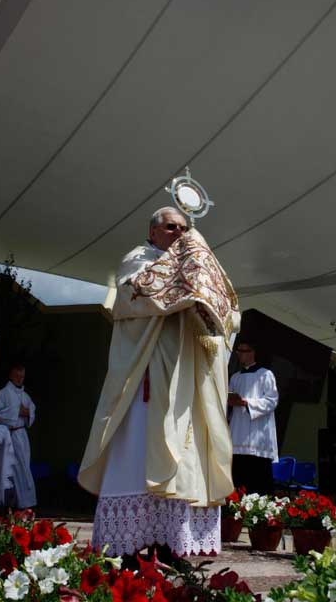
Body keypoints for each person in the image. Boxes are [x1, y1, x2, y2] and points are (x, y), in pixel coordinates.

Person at [79, 206, 240, 561]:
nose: (179, 234)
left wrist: (204, 292)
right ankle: (127, 548)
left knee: (185, 456)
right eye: (171, 227)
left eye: (184, 228)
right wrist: (187, 273)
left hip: (186, 382)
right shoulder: (137, 260)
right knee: (137, 452)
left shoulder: (193, 264)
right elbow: (134, 296)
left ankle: (171, 546)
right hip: (145, 378)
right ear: (152, 232)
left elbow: (225, 314)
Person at [228, 341, 278, 494]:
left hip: (257, 434)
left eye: (243, 351)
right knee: (238, 479)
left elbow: (271, 401)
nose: (240, 354)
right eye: (238, 351)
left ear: (252, 353)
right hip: (238, 433)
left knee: (257, 481)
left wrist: (247, 403)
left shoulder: (265, 375)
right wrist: (230, 401)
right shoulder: (235, 377)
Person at [0, 363, 37, 509]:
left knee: (23, 467)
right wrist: (16, 411)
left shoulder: (25, 395)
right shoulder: (3, 393)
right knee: (8, 468)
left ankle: (25, 503)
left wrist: (27, 412)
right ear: (11, 375)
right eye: (17, 376)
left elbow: (31, 412)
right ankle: (5, 502)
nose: (19, 379)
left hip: (21, 435)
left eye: (22, 376)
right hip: (8, 434)